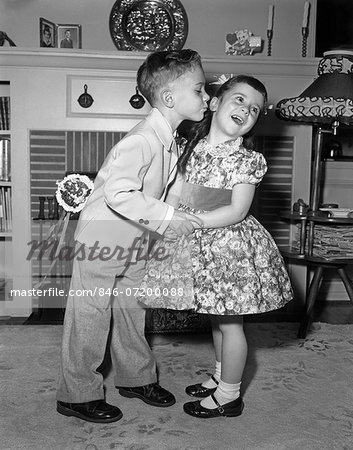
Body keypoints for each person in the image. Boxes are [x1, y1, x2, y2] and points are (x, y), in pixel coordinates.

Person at [56, 49, 209, 423]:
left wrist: (178, 214)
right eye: (201, 89)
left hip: (137, 239)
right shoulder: (142, 139)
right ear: (170, 99)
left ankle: (135, 378)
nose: (207, 97)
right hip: (102, 239)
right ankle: (76, 394)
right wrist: (168, 216)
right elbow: (119, 193)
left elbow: (165, 187)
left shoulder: (169, 137)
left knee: (132, 310)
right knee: (90, 314)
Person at [140, 75, 293, 418]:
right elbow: (177, 191)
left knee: (231, 323)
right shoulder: (190, 149)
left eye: (254, 108)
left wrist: (194, 222)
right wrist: (168, 217)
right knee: (216, 317)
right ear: (214, 103)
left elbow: (237, 210)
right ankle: (223, 377)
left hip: (229, 248)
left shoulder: (245, 160)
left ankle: (229, 395)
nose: (246, 109)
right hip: (197, 242)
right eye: (239, 99)